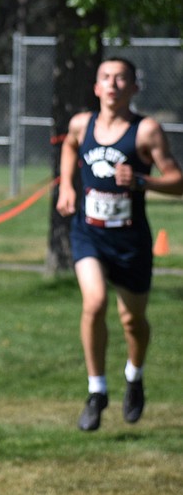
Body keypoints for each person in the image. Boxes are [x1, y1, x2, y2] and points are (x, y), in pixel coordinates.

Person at [56, 56, 183, 431]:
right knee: (93, 302)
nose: (112, 84)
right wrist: (66, 184)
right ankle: (97, 392)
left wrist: (143, 181)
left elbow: (178, 181)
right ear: (96, 87)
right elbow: (68, 146)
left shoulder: (146, 131)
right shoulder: (82, 124)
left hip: (130, 239)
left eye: (121, 78)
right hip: (88, 232)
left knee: (133, 321)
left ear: (133, 88)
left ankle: (134, 375)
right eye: (105, 78)